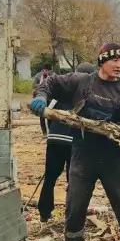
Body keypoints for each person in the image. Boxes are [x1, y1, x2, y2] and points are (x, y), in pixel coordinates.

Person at [30, 43, 120, 241]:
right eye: (115, 60)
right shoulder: (82, 81)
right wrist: (42, 96)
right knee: (75, 206)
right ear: (102, 60)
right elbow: (52, 82)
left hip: (110, 157)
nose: (119, 65)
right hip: (82, 154)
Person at [35, 62, 96, 222]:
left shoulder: (59, 94)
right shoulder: (85, 96)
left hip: (55, 141)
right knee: (73, 180)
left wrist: (47, 134)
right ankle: (72, 214)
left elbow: (45, 116)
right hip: (74, 144)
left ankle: (44, 212)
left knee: (50, 178)